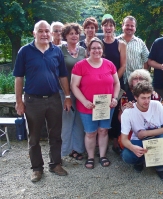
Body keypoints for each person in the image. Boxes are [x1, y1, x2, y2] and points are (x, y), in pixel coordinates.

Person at [13, 20, 71, 182]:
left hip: (53, 99)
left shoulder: (56, 51)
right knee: (34, 137)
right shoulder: (25, 51)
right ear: (34, 33)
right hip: (33, 101)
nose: (44, 34)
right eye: (41, 31)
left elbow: (62, 76)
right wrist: (19, 101)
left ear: (51, 33)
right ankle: (37, 168)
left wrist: (67, 97)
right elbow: (19, 77)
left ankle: (55, 164)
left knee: (55, 134)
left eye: (47, 31)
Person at [71, 37, 120, 169]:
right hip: (87, 106)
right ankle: (91, 157)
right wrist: (84, 101)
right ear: (88, 50)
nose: (96, 50)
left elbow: (116, 83)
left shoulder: (109, 64)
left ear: (102, 50)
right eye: (93, 48)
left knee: (103, 131)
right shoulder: (80, 65)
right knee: (90, 132)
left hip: (106, 105)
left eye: (99, 48)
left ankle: (103, 155)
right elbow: (74, 86)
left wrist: (115, 98)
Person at [121, 81, 163, 181]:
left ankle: (160, 166)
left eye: (149, 97)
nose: (147, 101)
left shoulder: (157, 105)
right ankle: (140, 161)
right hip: (138, 141)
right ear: (135, 97)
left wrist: (146, 133)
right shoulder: (128, 112)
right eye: (143, 98)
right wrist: (133, 148)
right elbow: (124, 139)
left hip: (156, 138)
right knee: (126, 155)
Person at [59, 23, 86, 160]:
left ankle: (78, 149)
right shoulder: (59, 50)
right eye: (71, 33)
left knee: (79, 122)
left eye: (76, 33)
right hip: (65, 91)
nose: (74, 36)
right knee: (67, 120)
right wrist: (66, 94)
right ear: (65, 36)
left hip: (80, 91)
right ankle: (65, 150)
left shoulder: (82, 51)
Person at [101, 16, 127, 155]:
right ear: (102, 27)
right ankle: (102, 141)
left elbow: (123, 65)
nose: (108, 28)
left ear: (114, 28)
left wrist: (114, 80)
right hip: (100, 85)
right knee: (102, 111)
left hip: (117, 82)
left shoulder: (120, 44)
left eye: (111, 25)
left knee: (117, 110)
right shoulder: (98, 44)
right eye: (105, 25)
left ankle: (117, 141)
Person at [117, 16, 149, 90]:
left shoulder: (140, 43)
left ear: (135, 28)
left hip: (136, 82)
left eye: (132, 26)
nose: (130, 27)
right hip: (119, 80)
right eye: (127, 25)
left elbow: (146, 60)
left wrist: (142, 77)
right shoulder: (116, 41)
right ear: (122, 26)